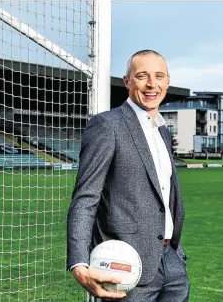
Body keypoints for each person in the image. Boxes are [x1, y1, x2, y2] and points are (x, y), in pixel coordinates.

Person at [67, 50, 189, 301]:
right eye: (142, 76)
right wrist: (78, 262)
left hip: (172, 263)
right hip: (126, 267)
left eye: (159, 76)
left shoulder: (163, 131)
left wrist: (177, 254)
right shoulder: (107, 125)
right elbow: (85, 198)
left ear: (167, 81)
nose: (151, 84)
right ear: (127, 81)